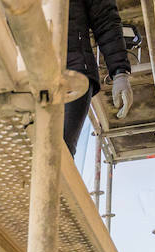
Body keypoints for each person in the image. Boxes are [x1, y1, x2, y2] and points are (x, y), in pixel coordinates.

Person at [63, 0, 134, 155]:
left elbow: (105, 19)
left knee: (59, 154)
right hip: (20, 76)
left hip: (72, 74)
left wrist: (120, 71)